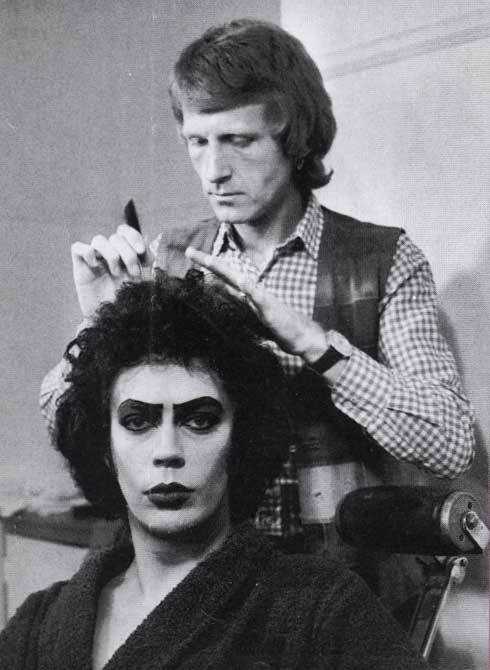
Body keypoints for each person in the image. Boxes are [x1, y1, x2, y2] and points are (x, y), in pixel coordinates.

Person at [40, 19, 474, 589]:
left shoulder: (382, 259)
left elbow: (451, 444)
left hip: (346, 593)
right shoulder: (169, 259)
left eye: (239, 141)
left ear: (296, 139)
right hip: (208, 590)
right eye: (198, 142)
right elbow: (67, 426)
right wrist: (99, 327)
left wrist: (314, 344)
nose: (214, 171)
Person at [1, 273, 429, 669]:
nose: (168, 451)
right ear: (105, 447)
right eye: (138, 421)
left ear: (242, 439)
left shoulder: (320, 610)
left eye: (200, 420)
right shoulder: (41, 622)